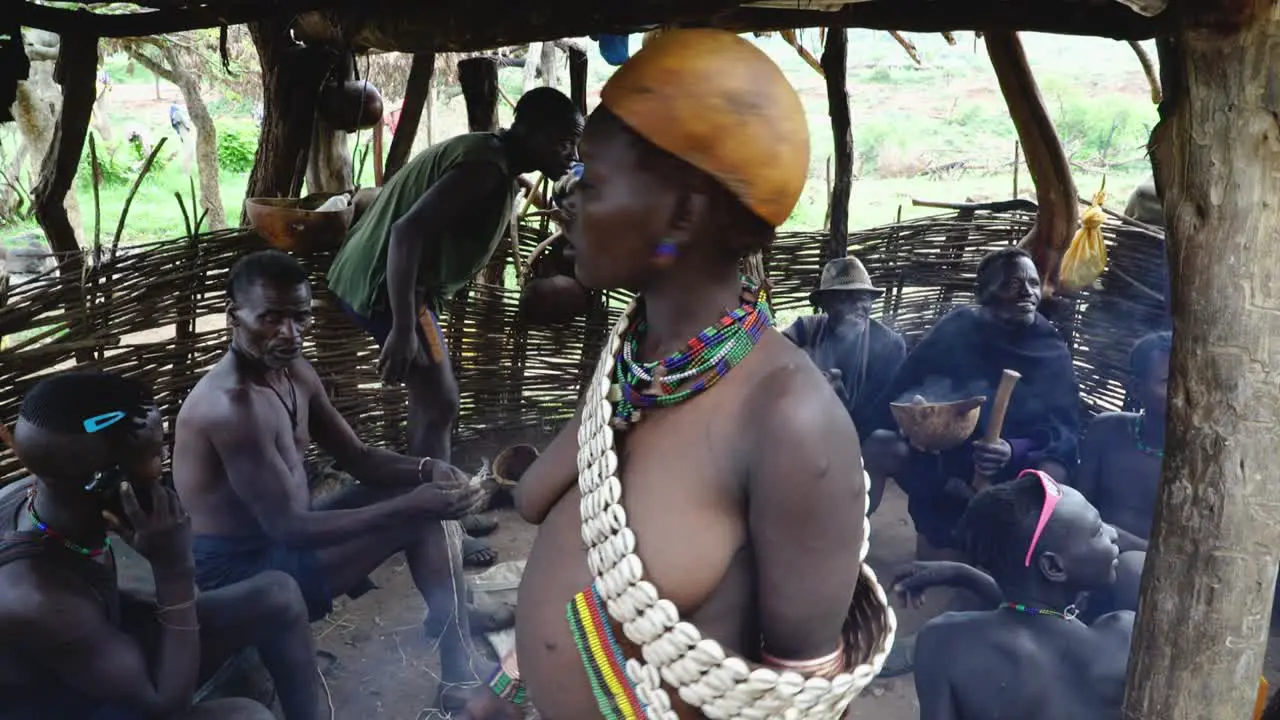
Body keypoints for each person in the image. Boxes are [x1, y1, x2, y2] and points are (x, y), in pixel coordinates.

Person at [460, 29, 893, 720]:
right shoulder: (636, 358)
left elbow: (804, 703)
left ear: (684, 213)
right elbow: (563, 538)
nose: (566, 197)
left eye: (592, 180)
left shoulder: (789, 423)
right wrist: (510, 687)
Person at [172, 250, 493, 712]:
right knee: (419, 515)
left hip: (284, 541)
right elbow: (289, 528)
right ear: (233, 317)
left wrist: (426, 469)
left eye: (299, 318)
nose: (289, 333)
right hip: (240, 573)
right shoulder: (232, 407)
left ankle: (458, 657)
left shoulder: (292, 372)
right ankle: (459, 671)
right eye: (271, 318)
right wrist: (414, 505)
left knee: (419, 497)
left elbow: (360, 458)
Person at [326, 86, 584, 567]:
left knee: (433, 401)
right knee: (439, 401)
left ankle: (436, 508)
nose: (571, 153)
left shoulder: (492, 159)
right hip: (391, 289)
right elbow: (406, 233)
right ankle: (437, 523)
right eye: (565, 141)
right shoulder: (483, 169)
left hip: (395, 286)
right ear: (533, 132)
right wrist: (403, 326)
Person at [0, 370, 318, 720]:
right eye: (155, 454)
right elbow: (166, 705)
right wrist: (174, 571)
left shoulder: (48, 494)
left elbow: (97, 598)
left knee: (278, 595)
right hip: (69, 707)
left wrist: (153, 602)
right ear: (105, 481)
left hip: (89, 666)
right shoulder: (38, 599)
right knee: (246, 717)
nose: (167, 458)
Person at [865, 246, 1082, 561]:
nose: (1027, 293)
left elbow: (1064, 431)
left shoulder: (1048, 347)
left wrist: (1011, 450)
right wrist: (917, 421)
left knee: (1053, 472)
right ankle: (854, 532)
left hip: (1012, 473)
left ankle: (1022, 562)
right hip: (943, 461)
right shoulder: (957, 328)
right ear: (984, 294)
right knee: (879, 445)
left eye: (1034, 283)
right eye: (1011, 284)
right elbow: (902, 390)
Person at [914, 470, 1130, 720]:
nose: (1113, 532)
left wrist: (964, 575)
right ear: (1054, 567)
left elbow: (1032, 612)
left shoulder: (944, 641)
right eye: (1097, 530)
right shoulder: (1124, 638)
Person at [783, 255, 906, 509]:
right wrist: (805, 381)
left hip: (862, 437)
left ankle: (858, 517)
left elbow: (883, 415)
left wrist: (840, 404)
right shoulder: (805, 330)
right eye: (844, 298)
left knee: (886, 443)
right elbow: (770, 366)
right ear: (826, 304)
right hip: (805, 432)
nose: (857, 306)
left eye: (863, 298)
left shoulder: (889, 344)